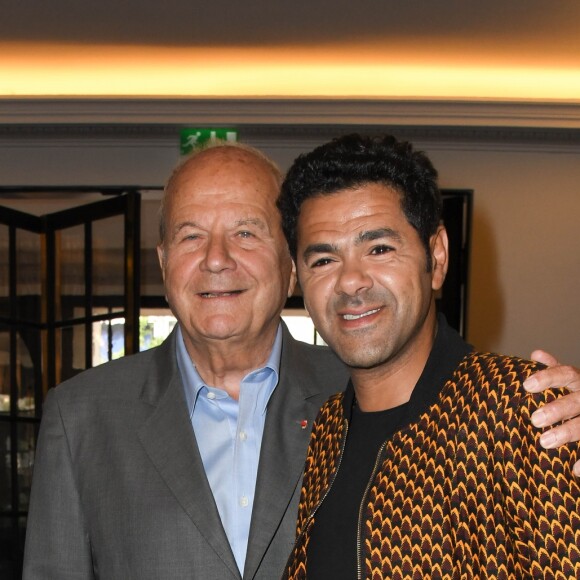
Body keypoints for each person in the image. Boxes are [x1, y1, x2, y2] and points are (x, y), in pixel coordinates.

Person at [22, 141, 580, 580]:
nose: (217, 260)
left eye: (246, 232)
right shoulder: (81, 415)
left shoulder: (523, 413)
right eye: (192, 237)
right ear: (163, 263)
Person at [279, 134, 580, 579]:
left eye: (379, 249)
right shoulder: (325, 431)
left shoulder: (524, 411)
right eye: (323, 260)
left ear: (435, 257)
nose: (350, 282)